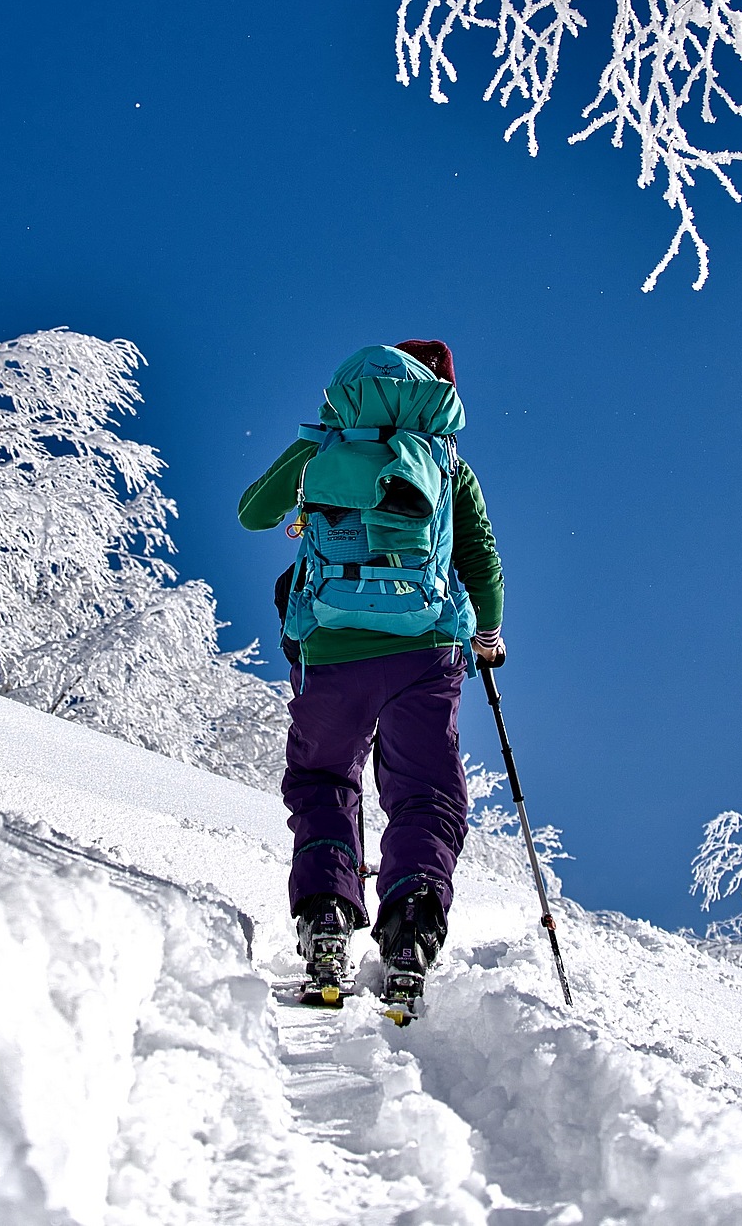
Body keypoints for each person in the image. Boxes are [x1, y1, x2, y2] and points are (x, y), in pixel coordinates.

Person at [240, 339, 504, 1018]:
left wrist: (312, 449)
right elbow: (480, 558)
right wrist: (488, 635)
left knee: (326, 779)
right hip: (428, 648)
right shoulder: (447, 463)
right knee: (426, 793)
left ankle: (327, 911)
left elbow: (253, 513)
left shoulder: (326, 446)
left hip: (331, 648)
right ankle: (412, 922)